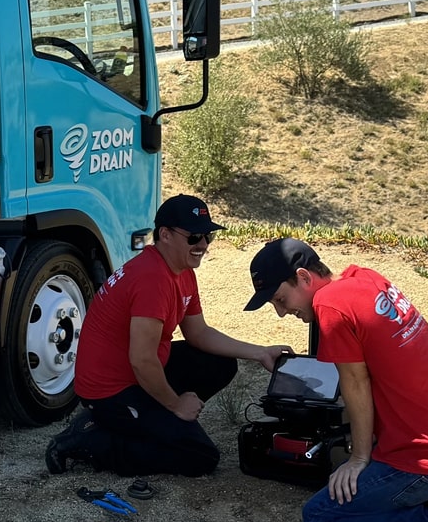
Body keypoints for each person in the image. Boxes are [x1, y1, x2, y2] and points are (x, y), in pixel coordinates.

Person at [46, 195, 292, 476]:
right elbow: (141, 360)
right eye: (194, 236)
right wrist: (176, 405)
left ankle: (144, 420)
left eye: (207, 236)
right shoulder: (152, 278)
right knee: (199, 457)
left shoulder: (180, 270)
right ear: (165, 234)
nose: (202, 245)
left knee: (220, 363)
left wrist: (260, 352)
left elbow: (198, 332)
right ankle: (91, 442)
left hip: (135, 375)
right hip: (111, 391)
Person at [244, 237, 428, 522]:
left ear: (304, 277)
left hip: (424, 458)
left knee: (320, 516)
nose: (282, 313)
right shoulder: (364, 277)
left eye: (281, 300)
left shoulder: (330, 306)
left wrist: (359, 458)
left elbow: (356, 384)